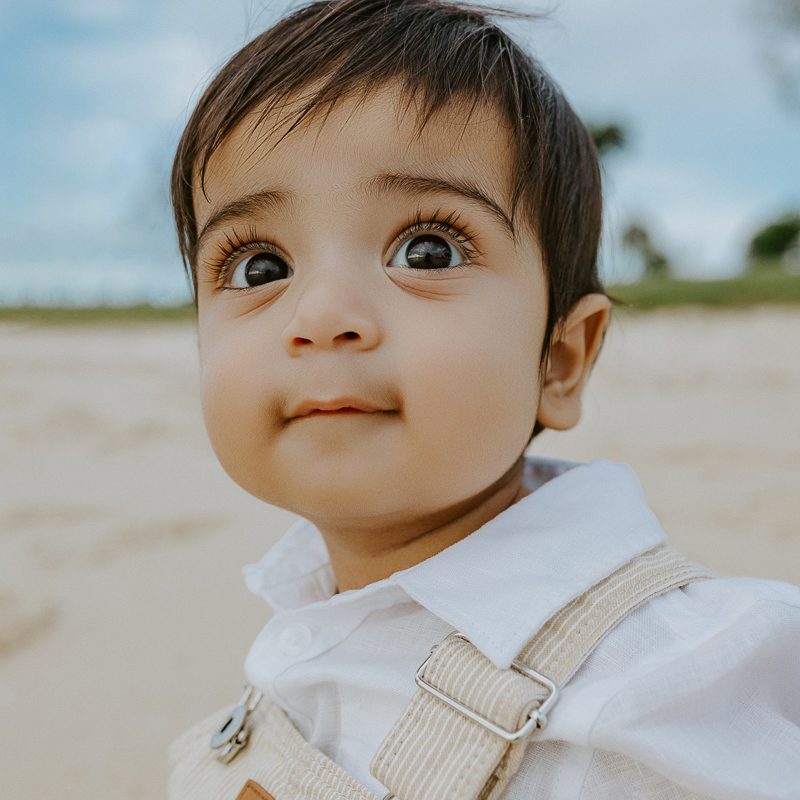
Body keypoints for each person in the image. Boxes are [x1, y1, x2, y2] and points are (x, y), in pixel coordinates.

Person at [167, 1, 800, 797]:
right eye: (259, 267)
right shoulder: (299, 622)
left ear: (560, 361)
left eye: (425, 251)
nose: (321, 317)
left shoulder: (697, 675)